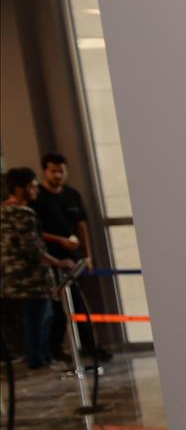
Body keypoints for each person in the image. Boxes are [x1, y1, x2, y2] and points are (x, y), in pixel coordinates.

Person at [32, 153, 102, 363]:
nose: (58, 175)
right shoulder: (38, 198)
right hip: (51, 260)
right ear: (45, 171)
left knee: (79, 304)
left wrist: (87, 255)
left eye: (61, 171)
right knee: (56, 309)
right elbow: (34, 231)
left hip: (74, 259)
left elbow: (82, 225)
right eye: (53, 171)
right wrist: (60, 241)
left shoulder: (71, 194)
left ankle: (90, 346)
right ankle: (55, 349)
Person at [1, 168, 64, 371]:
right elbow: (32, 247)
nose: (36, 189)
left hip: (10, 277)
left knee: (30, 320)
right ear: (20, 189)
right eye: (32, 186)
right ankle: (39, 360)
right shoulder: (24, 214)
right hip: (32, 278)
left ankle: (36, 358)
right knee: (38, 320)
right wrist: (58, 262)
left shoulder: (2, 211)